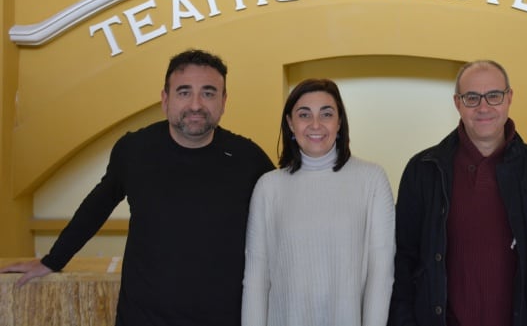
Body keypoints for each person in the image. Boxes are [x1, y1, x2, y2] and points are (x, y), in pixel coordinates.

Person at [0, 49, 275, 326]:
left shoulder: (248, 159)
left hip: (223, 318)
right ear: (165, 99)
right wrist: (52, 260)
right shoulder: (134, 150)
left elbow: (283, 216)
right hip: (143, 317)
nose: (195, 104)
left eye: (208, 93)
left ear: (224, 101)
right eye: (183, 92)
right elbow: (97, 206)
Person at [389, 60, 527, 326]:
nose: (483, 107)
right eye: (472, 98)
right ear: (457, 102)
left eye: (494, 96)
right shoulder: (423, 171)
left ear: (509, 98)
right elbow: (403, 261)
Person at [242, 78, 395, 326]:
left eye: (326, 114)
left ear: (339, 121)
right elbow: (256, 280)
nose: (316, 125)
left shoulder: (372, 180)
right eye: (304, 115)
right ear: (290, 123)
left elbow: (381, 274)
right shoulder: (269, 187)